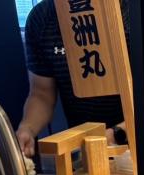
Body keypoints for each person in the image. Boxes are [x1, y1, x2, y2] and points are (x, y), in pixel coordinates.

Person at [17, 0, 129, 157]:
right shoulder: (42, 18)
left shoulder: (131, 11)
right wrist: (27, 128)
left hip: (140, 141)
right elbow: (41, 94)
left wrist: (117, 133)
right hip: (83, 148)